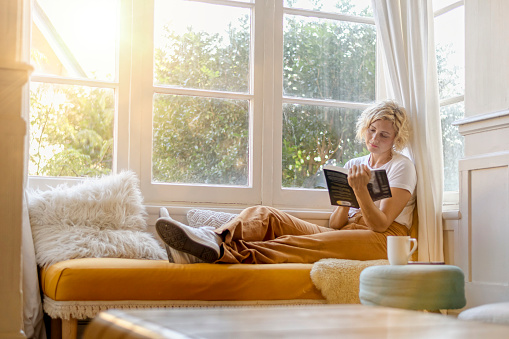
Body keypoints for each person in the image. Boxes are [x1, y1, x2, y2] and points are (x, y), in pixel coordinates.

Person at [156, 100, 417, 264]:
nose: (375, 138)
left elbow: (381, 226)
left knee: (301, 244)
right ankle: (214, 238)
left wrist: (360, 192)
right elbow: (337, 224)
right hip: (348, 231)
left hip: (384, 239)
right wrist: (346, 197)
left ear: (396, 139)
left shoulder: (401, 167)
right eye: (372, 130)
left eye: (384, 135)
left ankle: (212, 255)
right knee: (266, 214)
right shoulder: (354, 164)